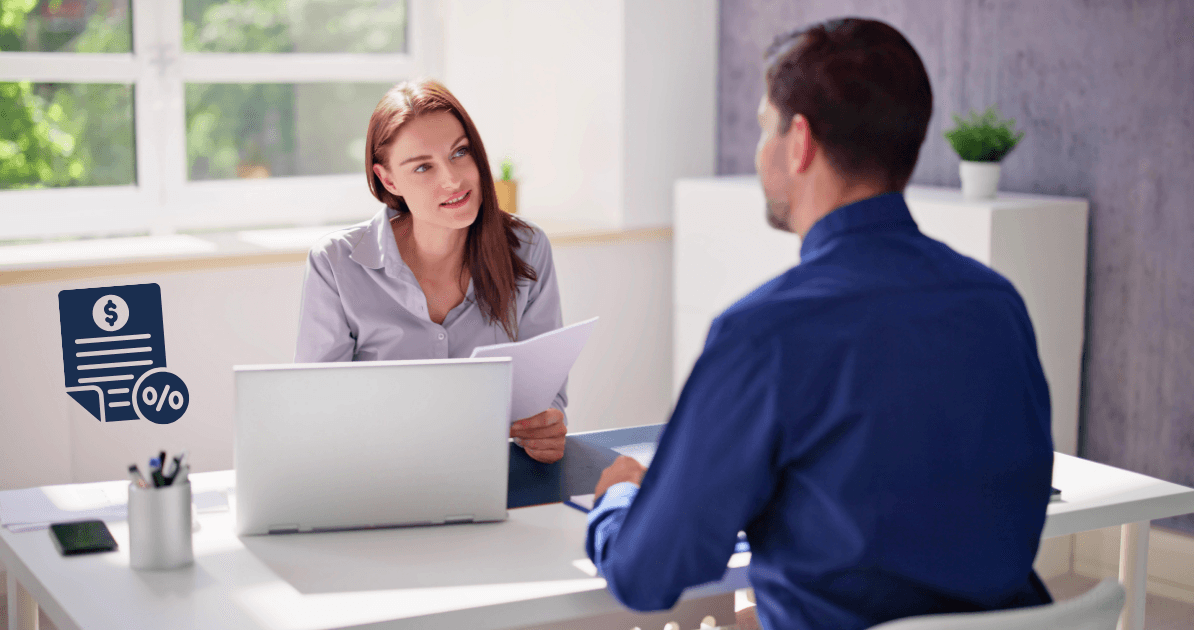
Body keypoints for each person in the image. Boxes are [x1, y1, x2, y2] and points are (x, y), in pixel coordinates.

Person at [585, 18, 1054, 630]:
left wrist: (620, 498)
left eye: (764, 129)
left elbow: (646, 574)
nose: (760, 152)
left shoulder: (761, 334)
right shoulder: (998, 304)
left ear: (799, 141)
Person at [295, 79, 568, 464]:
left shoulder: (527, 248)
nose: (453, 180)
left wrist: (545, 428)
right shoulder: (336, 264)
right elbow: (317, 411)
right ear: (388, 179)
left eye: (460, 153)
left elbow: (546, 394)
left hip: (493, 474)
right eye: (423, 166)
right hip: (375, 478)